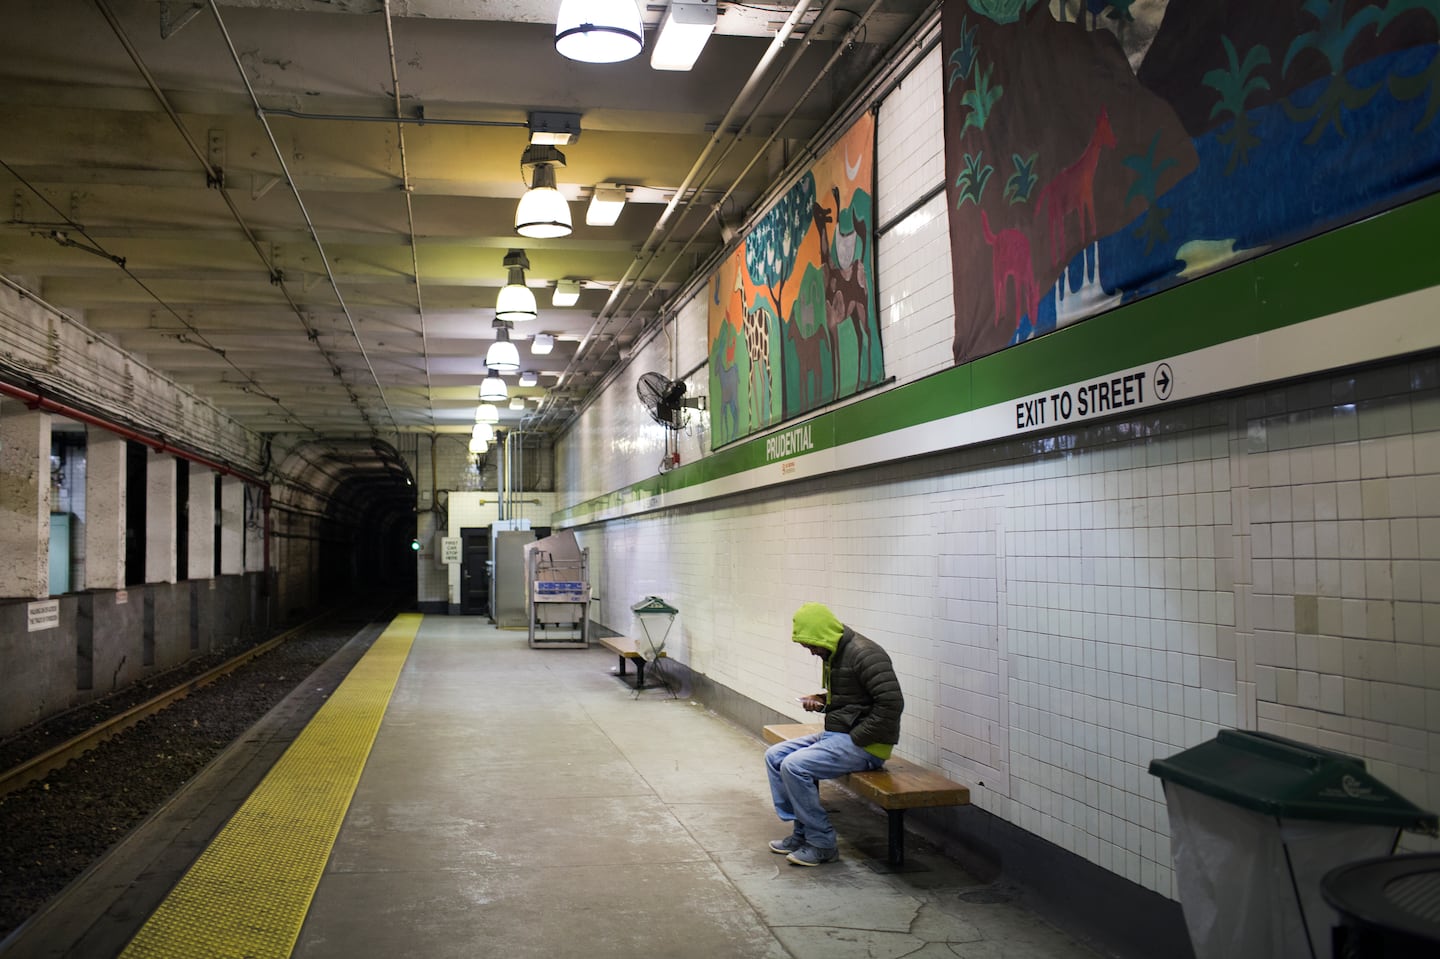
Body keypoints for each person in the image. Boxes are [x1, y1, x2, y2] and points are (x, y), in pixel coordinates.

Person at [764, 602, 904, 866]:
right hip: (840, 734)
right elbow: (856, 699)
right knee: (775, 755)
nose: (812, 652)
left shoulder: (866, 654)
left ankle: (822, 842)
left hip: (867, 744)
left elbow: (891, 704)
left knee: (794, 766)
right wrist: (822, 700)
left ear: (825, 634)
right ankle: (802, 832)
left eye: (812, 645)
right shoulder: (836, 653)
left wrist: (858, 737)